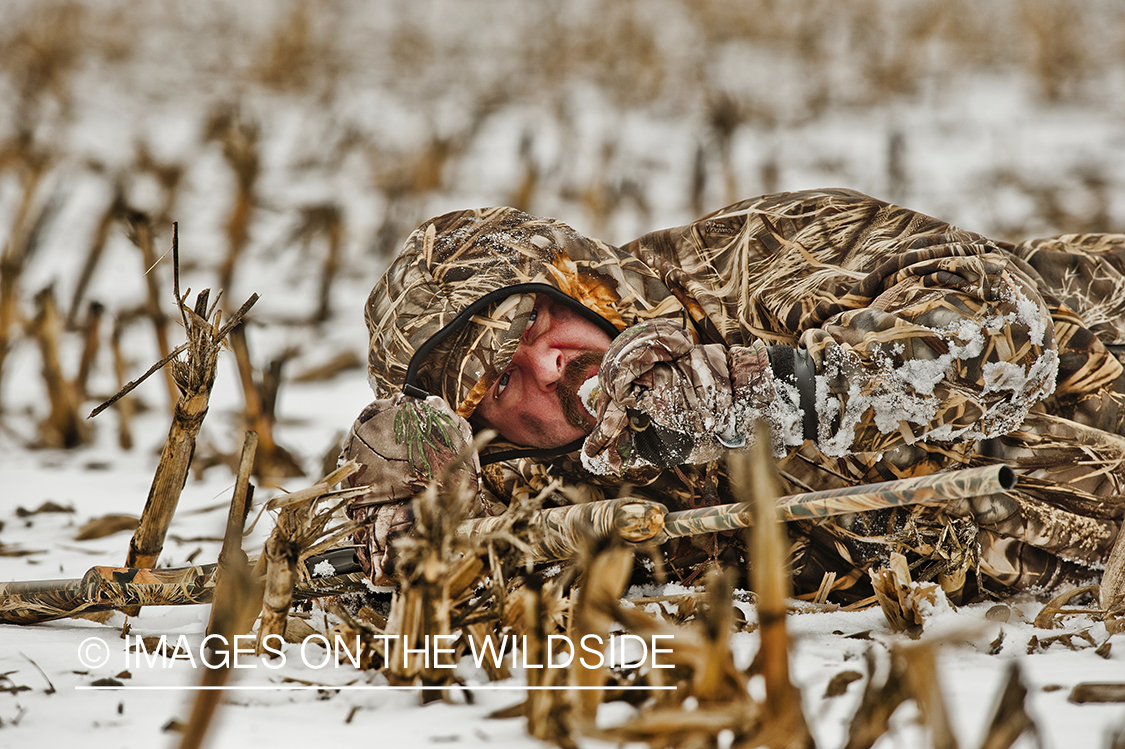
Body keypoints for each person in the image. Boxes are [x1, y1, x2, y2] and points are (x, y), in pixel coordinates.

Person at [341, 187, 1125, 603]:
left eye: (536, 321)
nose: (545, 367)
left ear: (575, 281)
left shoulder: (754, 256)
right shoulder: (533, 479)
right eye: (501, 380)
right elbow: (388, 546)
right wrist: (415, 520)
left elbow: (1000, 323)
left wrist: (772, 389)